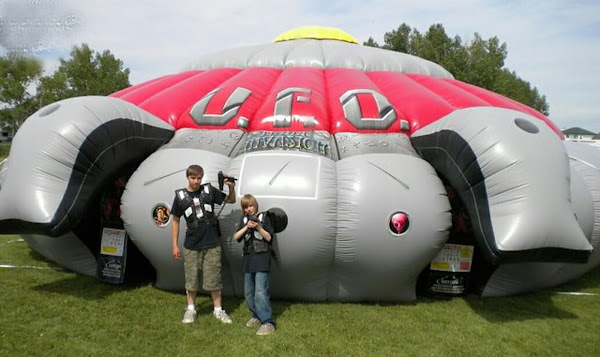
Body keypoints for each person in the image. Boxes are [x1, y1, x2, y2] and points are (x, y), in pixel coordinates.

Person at [171, 164, 236, 324]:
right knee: (191, 280)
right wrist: (174, 245)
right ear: (188, 177)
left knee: (214, 279)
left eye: (199, 178)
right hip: (191, 244)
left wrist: (231, 187)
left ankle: (218, 311)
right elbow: (176, 221)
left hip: (212, 243)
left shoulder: (209, 191)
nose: (196, 181)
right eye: (193, 178)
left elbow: (231, 200)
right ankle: (190, 310)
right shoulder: (180, 196)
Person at [233, 194, 276, 335]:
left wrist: (258, 227)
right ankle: (256, 316)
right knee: (249, 293)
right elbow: (236, 237)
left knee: (260, 292)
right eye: (246, 207)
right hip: (248, 260)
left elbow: (269, 237)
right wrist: (246, 227)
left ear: (255, 205)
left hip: (262, 259)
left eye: (251, 205)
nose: (249, 209)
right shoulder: (243, 220)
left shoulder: (265, 217)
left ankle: (268, 322)